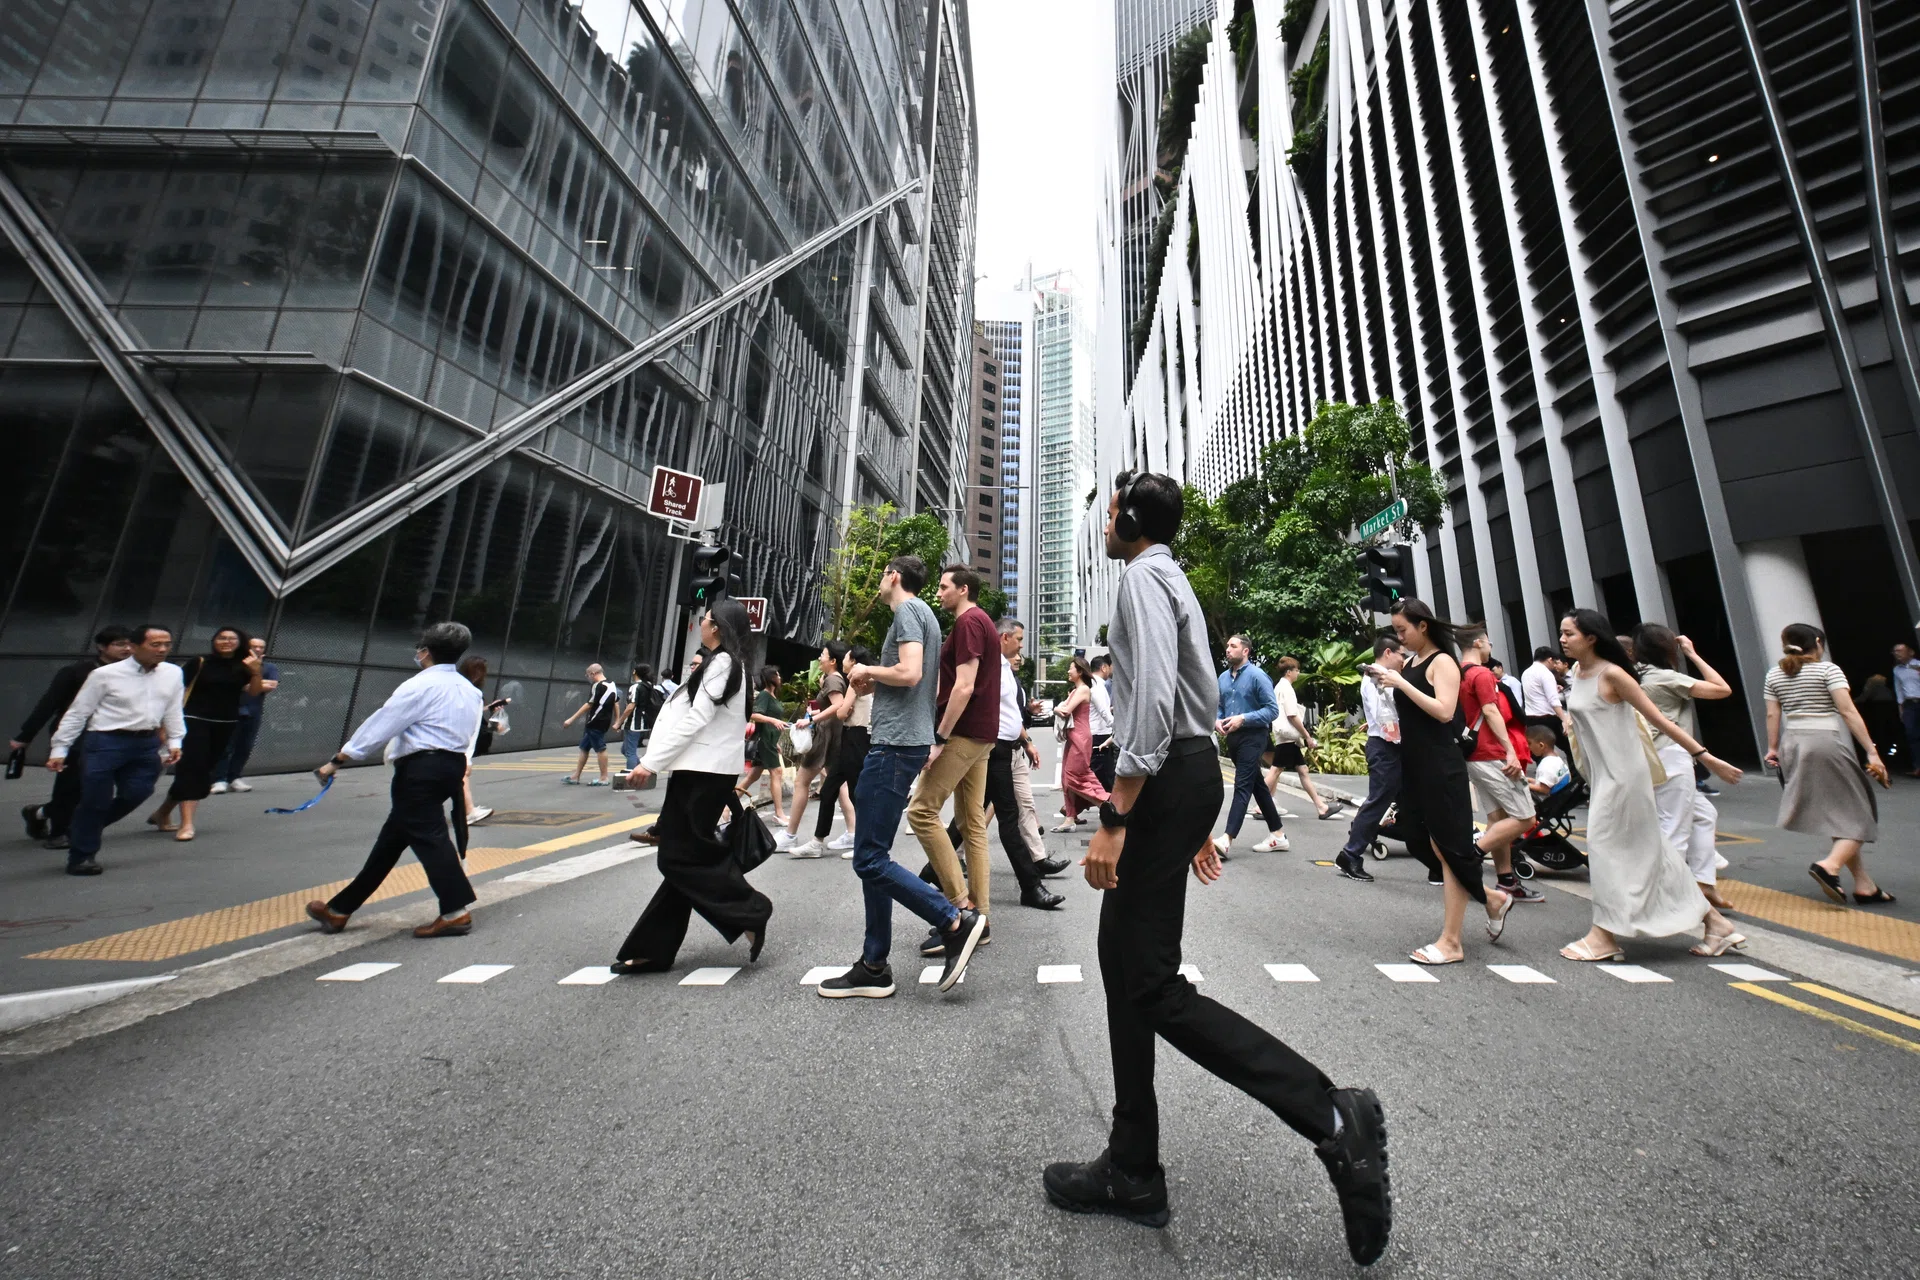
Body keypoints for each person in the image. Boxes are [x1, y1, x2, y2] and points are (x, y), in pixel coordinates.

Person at [1043, 471, 1390, 1267]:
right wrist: (1183, 817)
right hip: (1184, 780)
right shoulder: (1169, 578)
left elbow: (1157, 701)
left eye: (1111, 511)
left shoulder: (1139, 576)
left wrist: (1122, 815)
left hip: (1165, 780)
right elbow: (1182, 702)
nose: (1104, 524)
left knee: (1152, 983)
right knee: (1124, 963)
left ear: (1131, 518)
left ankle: (1331, 1115)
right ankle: (1132, 1166)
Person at [817, 555, 985, 997]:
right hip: (903, 740)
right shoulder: (926, 613)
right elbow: (916, 679)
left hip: (894, 745)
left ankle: (952, 920)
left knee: (869, 858)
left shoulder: (909, 610)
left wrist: (867, 670)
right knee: (875, 857)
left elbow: (911, 673)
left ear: (893, 576)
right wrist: (879, 682)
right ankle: (874, 964)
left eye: (881, 574)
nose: (878, 582)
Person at [1553, 609, 1745, 961]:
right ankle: (1716, 924)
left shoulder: (1613, 675)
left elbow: (1661, 720)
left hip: (1625, 777)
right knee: (1655, 852)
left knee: (1604, 848)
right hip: (1603, 775)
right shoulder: (1579, 673)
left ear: (1592, 637)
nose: (1562, 640)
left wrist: (1706, 757)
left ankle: (1604, 934)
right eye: (1562, 634)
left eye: (1569, 634)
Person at [610, 599, 773, 973]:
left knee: (679, 856)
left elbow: (696, 719)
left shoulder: (724, 664)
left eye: (706, 619)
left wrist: (649, 763)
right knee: (685, 857)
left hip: (704, 772)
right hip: (701, 770)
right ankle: (654, 948)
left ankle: (752, 910)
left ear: (717, 628)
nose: (701, 624)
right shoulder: (726, 665)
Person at [304, 623, 485, 938]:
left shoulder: (419, 686)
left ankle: (456, 912)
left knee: (431, 839)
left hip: (420, 770)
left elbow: (382, 724)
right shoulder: (470, 690)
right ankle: (339, 910)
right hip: (450, 767)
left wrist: (338, 760)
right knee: (390, 844)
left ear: (425, 651)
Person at [1371, 600, 1515, 964]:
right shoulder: (1413, 663)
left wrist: (1401, 681)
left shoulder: (1443, 663)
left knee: (1450, 850)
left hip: (1440, 766)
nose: (1399, 637)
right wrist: (1393, 682)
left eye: (1403, 630)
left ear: (1423, 626)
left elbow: (1444, 711)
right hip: (1415, 765)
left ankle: (1452, 942)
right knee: (1427, 844)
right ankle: (1492, 898)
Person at [928, 615, 1065, 915]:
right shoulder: (990, 667)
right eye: (1018, 639)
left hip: (1002, 748)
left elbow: (1009, 713)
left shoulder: (1004, 668)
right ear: (1004, 638)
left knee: (973, 817)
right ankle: (1030, 886)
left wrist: (1027, 742)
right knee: (1004, 818)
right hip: (992, 748)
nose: (1020, 646)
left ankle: (932, 870)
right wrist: (942, 736)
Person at [905, 565, 1002, 932]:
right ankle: (981, 918)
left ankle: (960, 909)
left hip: (962, 733)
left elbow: (963, 686)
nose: (939, 592)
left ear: (963, 589)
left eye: (944, 587)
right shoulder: (981, 623)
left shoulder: (969, 623)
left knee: (921, 811)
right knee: (972, 824)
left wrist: (940, 737)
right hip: (981, 734)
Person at [1769, 624, 1894, 906]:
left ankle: (1865, 885)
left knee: (1841, 813)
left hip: (1793, 743)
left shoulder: (1775, 673)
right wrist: (1872, 752)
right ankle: (1829, 866)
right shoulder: (1828, 670)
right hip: (1823, 741)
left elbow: (1771, 713)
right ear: (1817, 642)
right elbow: (1847, 711)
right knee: (1860, 813)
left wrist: (1773, 748)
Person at [46, 625, 185, 875]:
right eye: (155, 645)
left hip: (146, 743)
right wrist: (60, 747)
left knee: (137, 792)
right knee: (95, 800)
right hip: (105, 742)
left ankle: (80, 829)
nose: (163, 649)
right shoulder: (105, 675)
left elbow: (174, 709)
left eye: (167, 644)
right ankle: (82, 856)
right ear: (134, 646)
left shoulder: (173, 673)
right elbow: (79, 712)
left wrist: (175, 742)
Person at [1631, 623, 1735, 911]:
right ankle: (1668, 899)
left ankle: (1704, 885)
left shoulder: (1636, 676)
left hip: (1648, 756)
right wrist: (1693, 654)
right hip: (1671, 755)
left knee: (1703, 815)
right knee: (1674, 827)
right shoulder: (1666, 678)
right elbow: (1722, 689)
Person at [12, 625, 134, 850]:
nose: (126, 649)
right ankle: (59, 832)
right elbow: (49, 704)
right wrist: (25, 736)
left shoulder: (135, 673)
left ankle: (40, 813)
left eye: (129, 644)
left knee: (95, 787)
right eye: (119, 644)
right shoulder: (77, 672)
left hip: (113, 736)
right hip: (74, 734)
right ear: (101, 647)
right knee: (70, 785)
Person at [146, 626, 265, 842]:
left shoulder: (245, 665)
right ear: (214, 641)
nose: (226, 641)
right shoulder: (200, 662)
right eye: (221, 638)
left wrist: (256, 670)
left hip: (226, 723)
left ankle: (162, 813)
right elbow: (176, 691)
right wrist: (165, 725)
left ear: (240, 643)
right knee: (193, 768)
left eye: (231, 638)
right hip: (193, 721)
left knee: (204, 772)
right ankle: (187, 824)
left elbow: (255, 692)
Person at [1457, 625, 1543, 906]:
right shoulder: (1481, 674)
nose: (1490, 647)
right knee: (1526, 818)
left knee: (1498, 818)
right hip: (1492, 753)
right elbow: (1492, 711)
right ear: (1479, 643)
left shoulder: (1457, 674)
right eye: (1489, 643)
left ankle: (1507, 881)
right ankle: (1470, 857)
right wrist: (1510, 751)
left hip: (1473, 755)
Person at [1334, 637, 1404, 883]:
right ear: (1388, 652)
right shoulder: (1377, 679)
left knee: (1399, 800)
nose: (1403, 660)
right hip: (1386, 747)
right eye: (1401, 655)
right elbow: (1385, 718)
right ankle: (1350, 853)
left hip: (1387, 747)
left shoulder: (1379, 677)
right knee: (1378, 801)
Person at [1212, 634, 1288, 858]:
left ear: (1245, 651)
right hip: (1233, 739)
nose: (1228, 649)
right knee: (1258, 786)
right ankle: (1278, 835)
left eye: (1233, 646)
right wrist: (1218, 720)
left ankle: (1226, 839)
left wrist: (1243, 719)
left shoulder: (1257, 676)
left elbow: (1272, 710)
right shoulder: (1223, 678)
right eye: (1227, 646)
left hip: (1254, 737)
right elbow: (1219, 706)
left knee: (1242, 785)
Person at [781, 642, 850, 856]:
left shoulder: (833, 679)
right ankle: (853, 832)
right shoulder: (834, 679)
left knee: (802, 781)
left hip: (824, 737)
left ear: (833, 661)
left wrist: (812, 720)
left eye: (823, 654)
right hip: (834, 738)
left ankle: (790, 835)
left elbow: (838, 704)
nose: (819, 658)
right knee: (840, 785)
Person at [1264, 656, 1344, 821]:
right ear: (1289, 672)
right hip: (1288, 737)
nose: (1298, 673)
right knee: (1276, 770)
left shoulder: (1279, 687)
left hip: (1285, 737)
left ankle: (1321, 807)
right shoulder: (1286, 688)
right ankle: (1260, 804)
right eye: (1296, 670)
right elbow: (1292, 715)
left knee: (1302, 770)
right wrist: (1307, 735)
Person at [814, 643, 874, 857]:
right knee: (831, 787)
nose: (844, 662)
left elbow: (840, 714)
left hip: (855, 738)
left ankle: (862, 844)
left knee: (857, 792)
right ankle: (817, 841)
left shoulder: (855, 681)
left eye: (847, 659)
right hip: (858, 738)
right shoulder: (871, 681)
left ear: (855, 663)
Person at [210, 635, 279, 794]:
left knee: (244, 746)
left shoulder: (269, 668)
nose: (257, 649)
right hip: (231, 711)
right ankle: (219, 779)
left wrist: (245, 684)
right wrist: (253, 684)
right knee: (226, 746)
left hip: (253, 712)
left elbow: (271, 685)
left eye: (261, 647)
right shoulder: (237, 665)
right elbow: (228, 684)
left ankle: (234, 777)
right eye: (254, 646)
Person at [1053, 656, 1111, 830]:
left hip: (1081, 738)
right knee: (1066, 778)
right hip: (1074, 738)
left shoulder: (1084, 689)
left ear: (1079, 671)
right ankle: (1070, 818)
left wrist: (1055, 708)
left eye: (1071, 668)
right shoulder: (1075, 690)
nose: (1068, 671)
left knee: (1074, 777)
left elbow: (1065, 711)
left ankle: (1107, 804)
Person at [741, 666, 789, 822]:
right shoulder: (764, 695)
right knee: (777, 772)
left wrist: (776, 742)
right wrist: (773, 720)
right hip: (764, 740)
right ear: (771, 678)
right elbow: (754, 714)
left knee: (752, 777)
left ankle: (726, 807)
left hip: (770, 741)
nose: (780, 677)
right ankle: (779, 813)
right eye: (777, 674)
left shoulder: (772, 696)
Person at [560, 663, 619, 786]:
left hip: (595, 721)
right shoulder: (612, 685)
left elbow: (589, 704)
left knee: (600, 748)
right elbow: (616, 703)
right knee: (584, 747)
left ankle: (604, 778)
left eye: (588, 675)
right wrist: (617, 720)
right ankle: (576, 776)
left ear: (593, 673)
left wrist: (571, 719)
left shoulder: (597, 686)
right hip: (604, 721)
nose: (588, 678)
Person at [455, 655, 497, 825]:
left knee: (456, 777)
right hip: (458, 744)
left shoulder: (465, 690)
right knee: (460, 776)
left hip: (456, 745)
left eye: (481, 671)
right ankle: (469, 810)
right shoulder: (470, 692)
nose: (479, 675)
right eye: (476, 670)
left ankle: (468, 810)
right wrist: (467, 757)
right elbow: (471, 725)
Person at [619, 664, 666, 772]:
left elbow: (631, 706)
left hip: (634, 723)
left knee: (630, 751)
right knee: (625, 750)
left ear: (635, 672)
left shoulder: (636, 687)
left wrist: (619, 722)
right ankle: (640, 768)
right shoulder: (648, 686)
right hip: (642, 722)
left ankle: (631, 774)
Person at [1522, 645, 1567, 750]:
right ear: (1550, 660)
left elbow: (1536, 692)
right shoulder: (1546, 673)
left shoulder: (1526, 673)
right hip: (1547, 718)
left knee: (1539, 751)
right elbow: (1553, 700)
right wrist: (1563, 719)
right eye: (1555, 662)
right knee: (1568, 748)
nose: (1555, 666)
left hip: (1531, 718)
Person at [1890, 642, 1920, 776]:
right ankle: (1917, 767)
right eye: (1895, 651)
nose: (1897, 654)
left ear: (1910, 652)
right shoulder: (1897, 670)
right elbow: (1899, 690)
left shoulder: (1918, 665)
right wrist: (1901, 708)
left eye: (1900, 651)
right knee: (1912, 735)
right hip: (1909, 704)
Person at [1089, 652, 1117, 792]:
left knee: (1098, 774)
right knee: (1105, 776)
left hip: (1096, 733)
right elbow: (1103, 712)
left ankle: (1074, 806)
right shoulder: (1098, 686)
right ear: (1104, 667)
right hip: (1100, 734)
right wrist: (1117, 728)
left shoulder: (1093, 685)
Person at [1526, 725, 1568, 797]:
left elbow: (1544, 789)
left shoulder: (1546, 766)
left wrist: (1525, 786)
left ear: (1541, 745)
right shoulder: (1557, 759)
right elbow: (1547, 782)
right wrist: (1527, 780)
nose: (1528, 747)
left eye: (1529, 743)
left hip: (1550, 801)